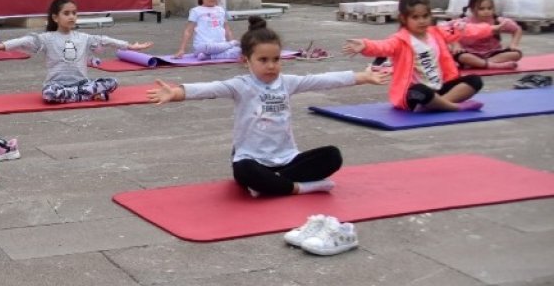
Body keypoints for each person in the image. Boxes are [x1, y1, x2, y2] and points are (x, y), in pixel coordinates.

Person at [148, 17, 390, 198]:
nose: (271, 66)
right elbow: (210, 88)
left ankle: (271, 184)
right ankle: (300, 188)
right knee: (243, 170)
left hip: (287, 160)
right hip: (252, 160)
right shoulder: (240, 85)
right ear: (246, 61)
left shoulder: (287, 83)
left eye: (276, 60)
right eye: (263, 60)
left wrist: (361, 76)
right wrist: (177, 92)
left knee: (332, 155)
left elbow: (323, 79)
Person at [342, 0, 500, 112]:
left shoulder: (436, 32)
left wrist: (490, 29)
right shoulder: (400, 40)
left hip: (440, 89)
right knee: (419, 91)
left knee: (475, 80)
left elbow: (464, 30)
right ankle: (453, 107)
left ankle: (438, 104)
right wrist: (365, 45)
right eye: (415, 17)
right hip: (416, 94)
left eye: (425, 16)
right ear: (404, 19)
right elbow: (383, 46)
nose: (422, 21)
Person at [0, 0, 153, 103]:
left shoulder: (83, 38)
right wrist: (2, 46)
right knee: (48, 94)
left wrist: (129, 46)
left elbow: (105, 41)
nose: (71, 16)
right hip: (57, 86)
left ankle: (78, 95)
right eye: (66, 13)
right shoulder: (47, 39)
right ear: (55, 17)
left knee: (113, 82)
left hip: (81, 84)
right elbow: (25, 41)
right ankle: (86, 96)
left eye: (74, 13)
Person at [452, 0, 523, 70]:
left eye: (489, 8)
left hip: (493, 53)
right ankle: (493, 65)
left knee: (516, 54)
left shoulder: (499, 21)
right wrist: (456, 46)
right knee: (462, 56)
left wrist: (513, 45)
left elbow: (517, 29)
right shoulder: (464, 22)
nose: (486, 11)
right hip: (470, 53)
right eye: (481, 9)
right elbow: (451, 32)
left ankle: (478, 64)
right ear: (472, 10)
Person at [175, 0, 240, 60]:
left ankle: (209, 56)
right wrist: (182, 49)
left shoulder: (221, 10)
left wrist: (231, 43)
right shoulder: (196, 11)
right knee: (207, 47)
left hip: (221, 45)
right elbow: (188, 31)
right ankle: (220, 50)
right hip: (204, 46)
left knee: (239, 51)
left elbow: (227, 30)